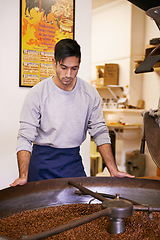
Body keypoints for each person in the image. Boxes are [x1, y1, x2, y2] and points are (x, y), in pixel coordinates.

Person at [10, 38, 134, 187]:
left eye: (74, 68)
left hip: (72, 162)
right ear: (54, 62)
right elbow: (25, 137)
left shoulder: (89, 93)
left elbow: (100, 132)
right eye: (63, 67)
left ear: (79, 64)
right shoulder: (38, 93)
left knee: (80, 206)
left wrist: (113, 170)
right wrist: (23, 176)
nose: (68, 74)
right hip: (42, 163)